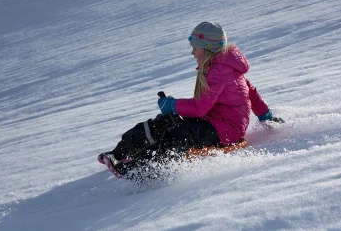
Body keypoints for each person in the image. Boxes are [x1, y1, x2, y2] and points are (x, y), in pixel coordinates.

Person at [98, 21, 284, 179]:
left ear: (208, 49)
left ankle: (139, 171)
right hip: (215, 121)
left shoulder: (218, 71)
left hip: (226, 130)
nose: (192, 53)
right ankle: (119, 154)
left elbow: (199, 108)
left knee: (178, 135)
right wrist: (265, 115)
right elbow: (251, 91)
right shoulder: (224, 65)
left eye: (195, 48)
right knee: (163, 122)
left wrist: (172, 105)